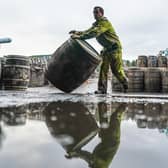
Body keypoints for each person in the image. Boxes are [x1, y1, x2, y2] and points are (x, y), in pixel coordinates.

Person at [69, 6, 128, 94]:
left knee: (116, 70)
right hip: (107, 50)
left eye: (96, 12)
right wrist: (77, 32)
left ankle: (125, 82)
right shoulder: (96, 24)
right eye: (94, 12)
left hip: (115, 49)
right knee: (103, 69)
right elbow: (88, 31)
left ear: (101, 13)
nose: (95, 14)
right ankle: (102, 89)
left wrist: (80, 37)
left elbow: (95, 33)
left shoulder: (105, 23)